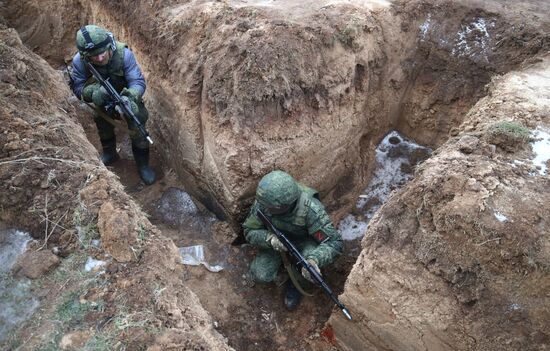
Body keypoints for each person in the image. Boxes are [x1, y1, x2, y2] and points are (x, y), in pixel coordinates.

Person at [242, 170, 343, 310]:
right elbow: (249, 230)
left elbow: (334, 243)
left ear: (284, 206)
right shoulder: (265, 201)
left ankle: (298, 284)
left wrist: (315, 260)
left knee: (308, 269)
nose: (264, 208)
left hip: (305, 241)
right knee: (260, 274)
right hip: (277, 241)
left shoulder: (311, 210)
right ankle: (284, 269)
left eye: (269, 207)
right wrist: (269, 239)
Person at [70, 24, 155, 185]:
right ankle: (110, 153)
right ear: (86, 55)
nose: (100, 58)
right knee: (101, 121)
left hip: (125, 96)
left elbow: (137, 81)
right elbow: (77, 88)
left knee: (137, 121)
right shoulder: (79, 61)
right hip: (101, 98)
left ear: (109, 46)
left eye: (102, 53)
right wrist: (94, 93)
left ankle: (143, 165)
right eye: (95, 56)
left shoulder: (124, 54)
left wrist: (131, 97)